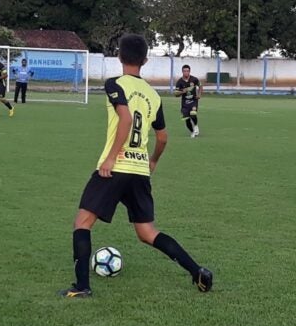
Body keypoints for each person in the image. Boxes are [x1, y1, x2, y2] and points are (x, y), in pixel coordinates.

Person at [59, 34, 213, 298]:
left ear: (119, 56)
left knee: (82, 222)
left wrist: (110, 158)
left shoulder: (114, 84)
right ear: (145, 60)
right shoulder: (154, 95)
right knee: (147, 232)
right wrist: (152, 160)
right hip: (140, 170)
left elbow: (126, 118)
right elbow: (163, 137)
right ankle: (197, 271)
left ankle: (82, 286)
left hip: (115, 168)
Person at [174, 65, 202, 137]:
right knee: (187, 119)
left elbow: (200, 86)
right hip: (185, 103)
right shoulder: (179, 82)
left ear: (189, 71)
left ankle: (195, 126)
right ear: (182, 72)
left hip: (193, 101)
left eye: (187, 71)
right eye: (184, 71)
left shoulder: (194, 79)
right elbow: (176, 94)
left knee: (193, 113)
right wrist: (183, 91)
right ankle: (192, 131)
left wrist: (199, 94)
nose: (186, 72)